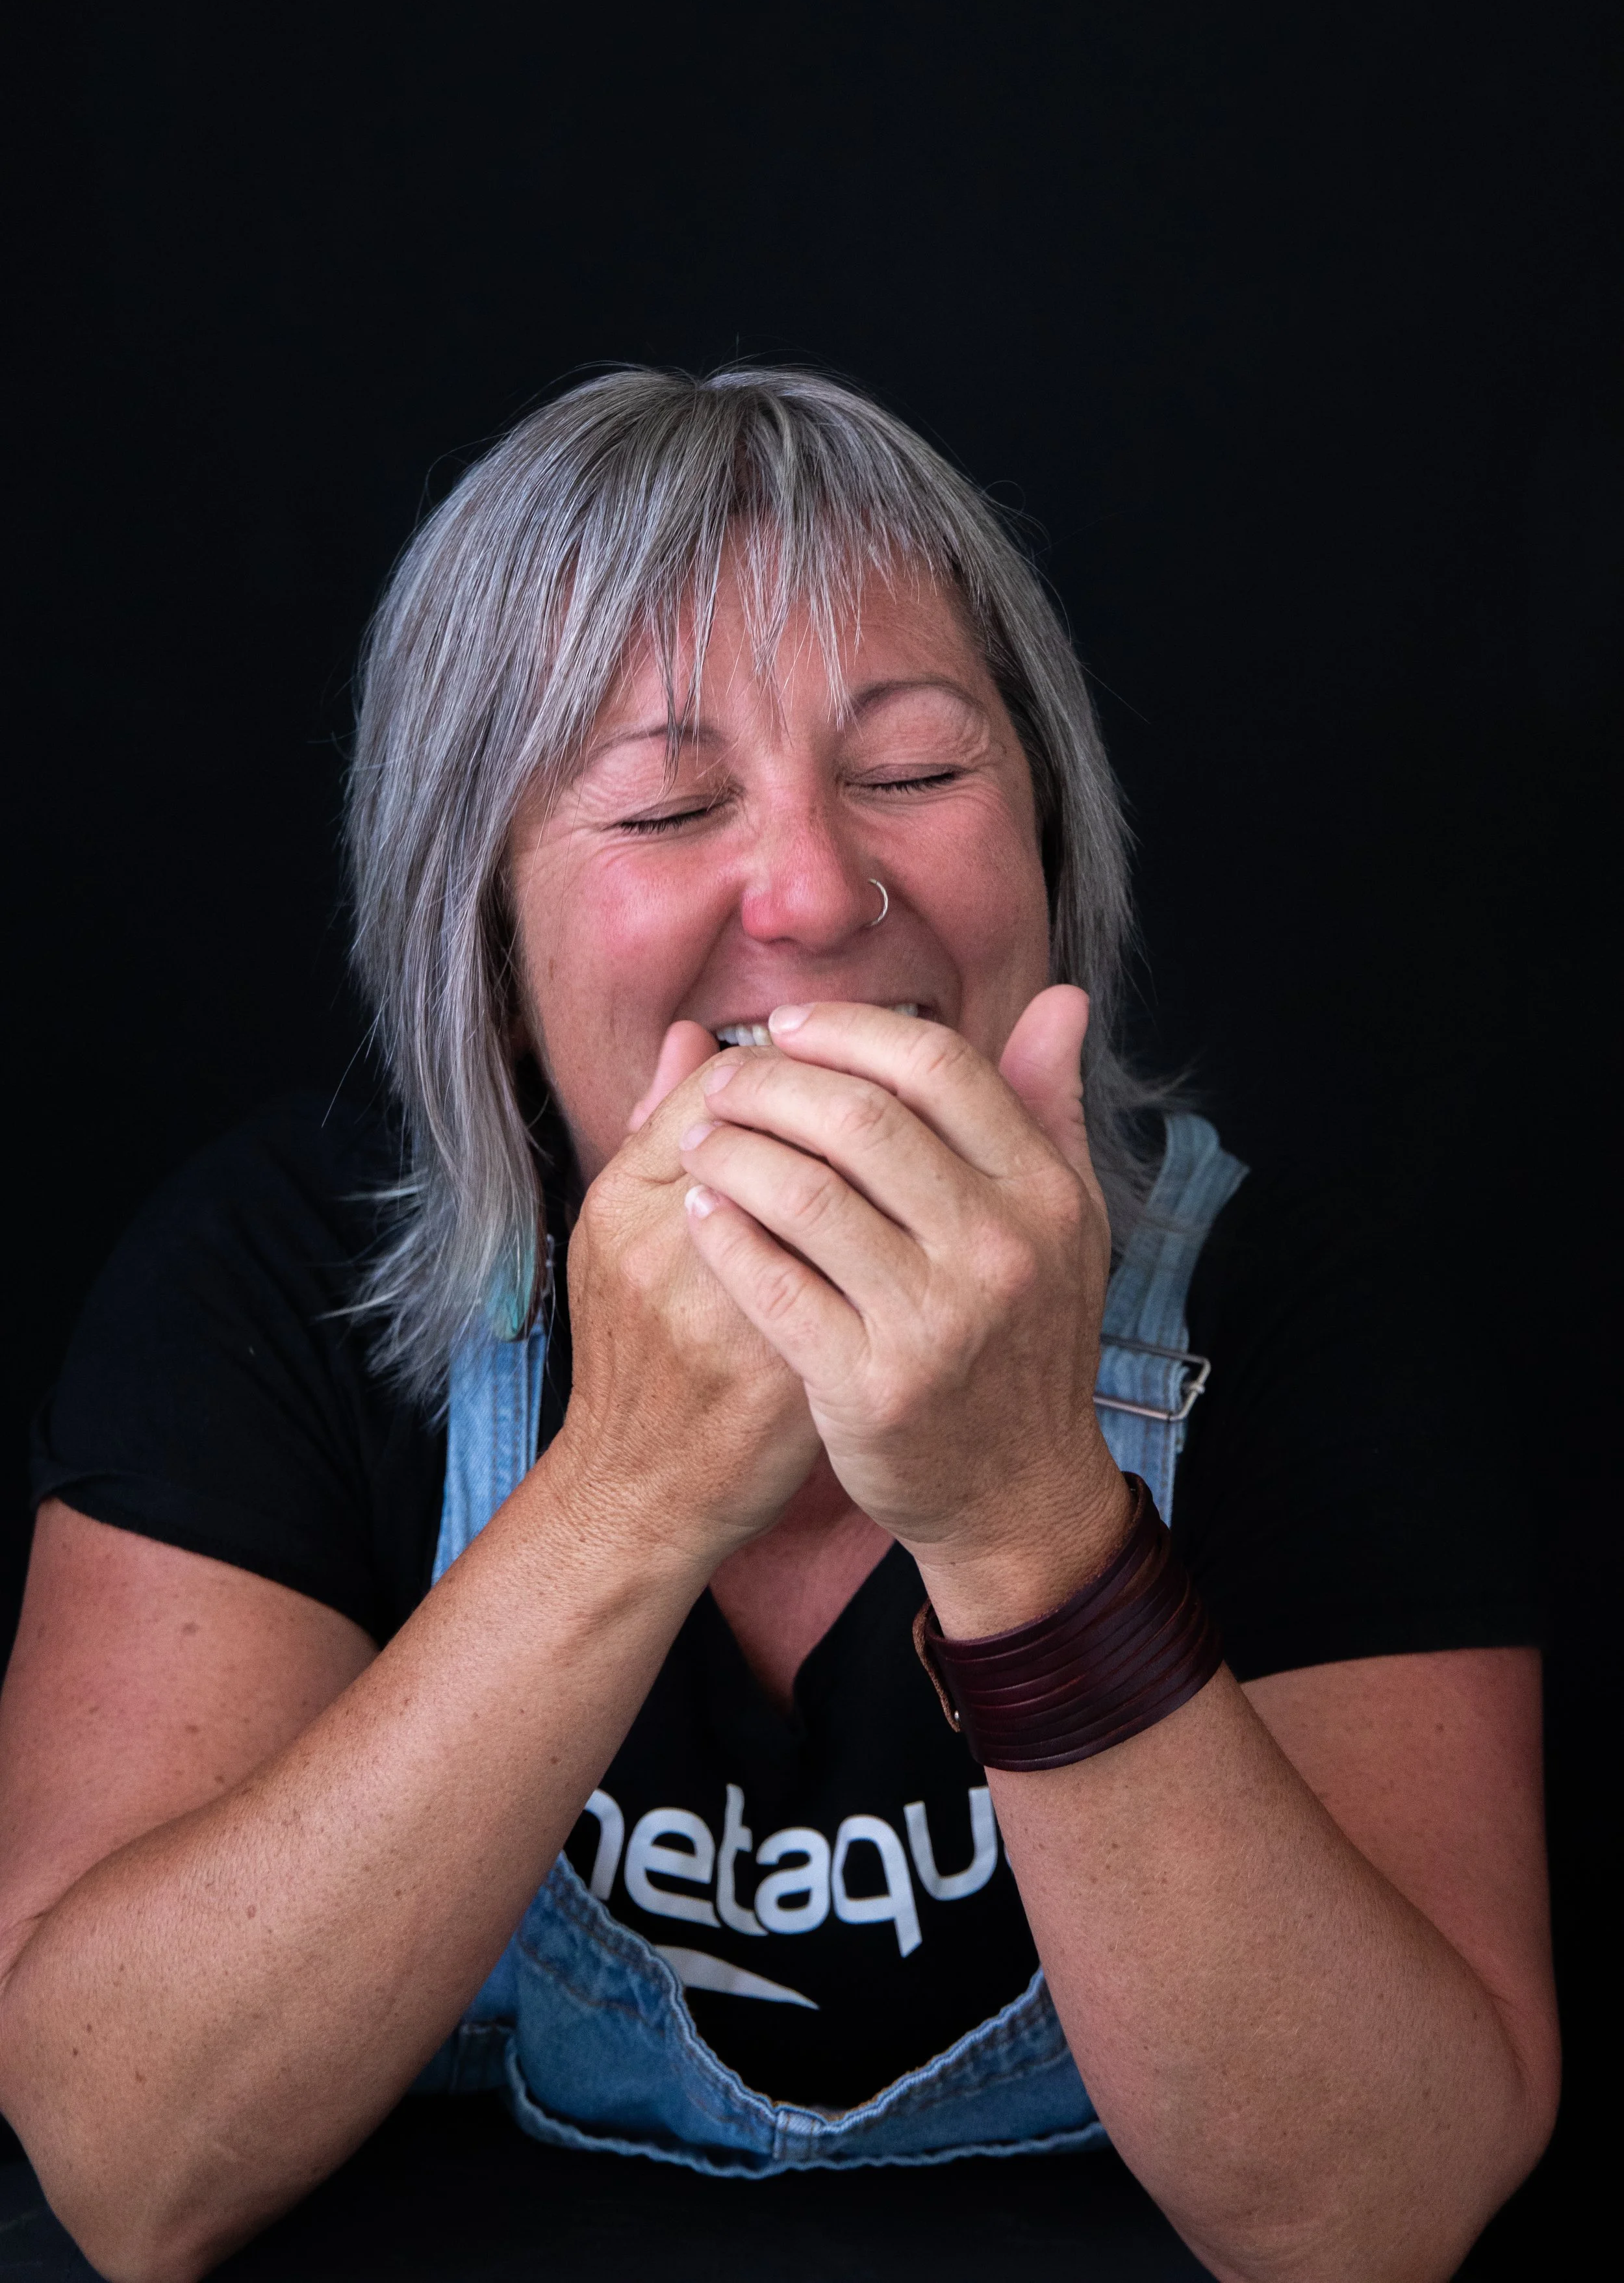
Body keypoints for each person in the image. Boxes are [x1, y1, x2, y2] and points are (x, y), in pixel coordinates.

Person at [0, 368, 1554, 2283]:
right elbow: (125, 2162)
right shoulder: (274, 1277)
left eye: (912, 770)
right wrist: (631, 1492)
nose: (816, 892)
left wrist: (1020, 1517)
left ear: (1050, 846)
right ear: (482, 934)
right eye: (669, 801)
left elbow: (1373, 2211)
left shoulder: (1296, 1306)